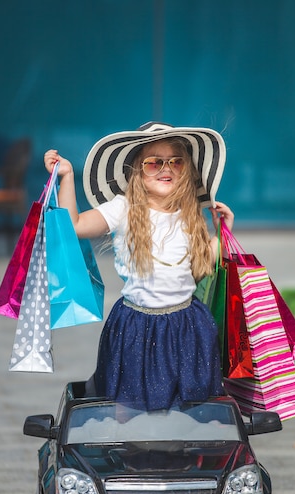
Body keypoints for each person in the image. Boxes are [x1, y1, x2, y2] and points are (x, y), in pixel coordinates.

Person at [44, 121, 234, 411]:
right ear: (136, 170)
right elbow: (75, 225)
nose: (165, 168)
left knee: (189, 406)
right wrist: (66, 177)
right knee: (128, 407)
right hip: (136, 327)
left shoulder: (190, 214)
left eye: (176, 162)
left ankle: (185, 455)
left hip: (188, 326)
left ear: (186, 171)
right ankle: (131, 455)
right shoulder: (123, 210)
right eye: (154, 162)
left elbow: (203, 264)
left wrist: (223, 233)